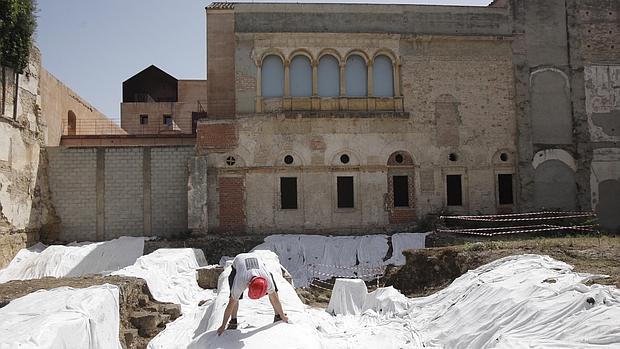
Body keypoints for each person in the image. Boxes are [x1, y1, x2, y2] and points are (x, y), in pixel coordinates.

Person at [217, 252, 288, 335]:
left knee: (273, 293)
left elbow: (275, 298)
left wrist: (283, 315)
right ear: (248, 285)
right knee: (234, 298)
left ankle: (278, 316)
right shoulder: (240, 282)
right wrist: (223, 325)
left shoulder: (268, 280)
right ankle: (233, 321)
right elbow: (230, 304)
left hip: (257, 260)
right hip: (238, 263)